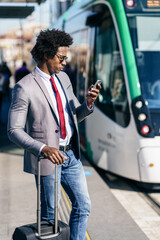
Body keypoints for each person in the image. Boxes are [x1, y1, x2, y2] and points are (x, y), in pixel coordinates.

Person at [7, 29, 101, 240]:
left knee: (83, 205)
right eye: (61, 57)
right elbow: (13, 130)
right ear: (47, 55)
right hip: (47, 159)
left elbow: (74, 114)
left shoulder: (64, 78)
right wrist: (44, 148)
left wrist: (88, 104)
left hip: (72, 157)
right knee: (50, 215)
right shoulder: (24, 87)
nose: (65, 62)